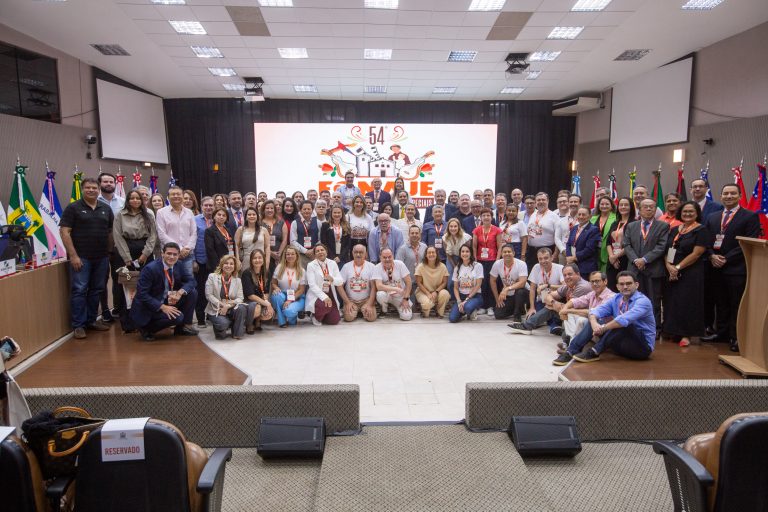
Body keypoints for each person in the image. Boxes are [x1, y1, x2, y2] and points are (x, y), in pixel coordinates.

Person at [702, 183, 762, 351]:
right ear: (721, 196)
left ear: (740, 196)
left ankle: (736, 337)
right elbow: (706, 240)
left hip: (736, 269)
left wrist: (726, 259)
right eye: (726, 193)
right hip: (715, 267)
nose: (729, 196)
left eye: (733, 193)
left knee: (736, 304)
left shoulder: (750, 216)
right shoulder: (713, 217)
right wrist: (711, 256)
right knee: (720, 303)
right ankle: (721, 333)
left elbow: (748, 241)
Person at [59, 177, 114, 339]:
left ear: (99, 190)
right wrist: (73, 255)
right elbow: (64, 232)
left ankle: (91, 320)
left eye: (94, 188)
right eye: (88, 188)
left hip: (101, 257)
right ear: (82, 190)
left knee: (97, 289)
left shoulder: (105, 208)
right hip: (81, 258)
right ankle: (78, 325)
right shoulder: (73, 208)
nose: (91, 190)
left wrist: (109, 253)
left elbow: (110, 232)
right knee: (80, 290)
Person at [560, 271, 656, 363]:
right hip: (619, 345)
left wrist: (603, 328)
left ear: (636, 285)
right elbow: (595, 311)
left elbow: (623, 320)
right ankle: (570, 351)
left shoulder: (643, 301)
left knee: (623, 324)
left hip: (641, 348)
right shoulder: (616, 298)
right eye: (622, 284)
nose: (625, 287)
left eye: (629, 283)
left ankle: (593, 352)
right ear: (617, 286)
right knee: (597, 320)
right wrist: (594, 324)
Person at [663, 201, 711, 347]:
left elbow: (697, 254)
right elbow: (669, 250)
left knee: (688, 302)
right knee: (673, 301)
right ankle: (675, 331)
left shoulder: (701, 230)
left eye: (691, 211)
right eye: (685, 211)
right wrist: (669, 266)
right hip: (672, 271)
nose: (687, 214)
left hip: (691, 272)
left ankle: (687, 335)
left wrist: (677, 268)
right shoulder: (675, 229)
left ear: (697, 214)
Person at [129, 242, 199, 341]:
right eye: (169, 253)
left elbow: (192, 281)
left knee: (192, 292)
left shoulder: (179, 264)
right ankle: (147, 328)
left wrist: (180, 292)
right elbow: (142, 294)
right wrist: (162, 307)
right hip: (149, 306)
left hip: (166, 299)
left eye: (175, 254)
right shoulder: (150, 269)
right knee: (178, 317)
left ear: (178, 255)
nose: (172, 257)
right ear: (162, 254)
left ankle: (182, 328)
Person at [622, 199, 670, 334]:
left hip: (653, 270)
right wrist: (636, 260)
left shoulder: (663, 226)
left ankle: (654, 329)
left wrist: (644, 260)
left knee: (654, 301)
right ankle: (634, 327)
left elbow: (661, 246)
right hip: (634, 270)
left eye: (651, 207)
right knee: (633, 300)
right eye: (645, 207)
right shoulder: (631, 226)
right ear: (640, 209)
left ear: (655, 209)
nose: (649, 209)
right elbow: (626, 245)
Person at [112, 190, 158, 325]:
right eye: (132, 198)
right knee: (126, 286)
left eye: (138, 198)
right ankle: (128, 322)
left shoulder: (149, 214)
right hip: (125, 251)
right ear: (127, 200)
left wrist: (145, 254)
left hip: (145, 251)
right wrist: (127, 258)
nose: (135, 200)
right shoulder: (120, 214)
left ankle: (145, 320)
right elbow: (117, 236)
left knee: (146, 285)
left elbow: (153, 235)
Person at [508, 263, 589, 336]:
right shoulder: (569, 285)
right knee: (551, 304)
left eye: (570, 274)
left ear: (578, 274)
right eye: (565, 275)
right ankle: (527, 326)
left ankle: (527, 326)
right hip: (572, 314)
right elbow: (548, 296)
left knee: (551, 308)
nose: (567, 277)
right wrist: (553, 303)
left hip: (582, 315)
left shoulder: (582, 287)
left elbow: (570, 307)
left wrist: (554, 305)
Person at [554, 271, 615, 357]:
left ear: (605, 281)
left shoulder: (611, 296)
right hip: (591, 327)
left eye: (597, 281)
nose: (595, 284)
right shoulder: (593, 294)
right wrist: (564, 309)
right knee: (569, 315)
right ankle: (570, 344)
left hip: (601, 330)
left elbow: (594, 312)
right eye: (592, 282)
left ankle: (571, 346)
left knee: (580, 319)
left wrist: (568, 310)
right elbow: (576, 301)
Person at [97, 172, 125, 323]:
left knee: (118, 279)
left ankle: (118, 308)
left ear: (115, 184)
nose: (108, 184)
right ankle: (105, 311)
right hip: (99, 247)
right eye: (105, 181)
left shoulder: (122, 202)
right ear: (99, 184)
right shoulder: (94, 202)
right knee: (101, 280)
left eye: (111, 182)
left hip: (118, 247)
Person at [204, 254, 253, 340]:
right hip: (216, 309)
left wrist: (228, 305)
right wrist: (221, 304)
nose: (228, 266)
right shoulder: (212, 276)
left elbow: (240, 298)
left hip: (230, 308)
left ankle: (237, 333)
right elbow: (209, 295)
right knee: (223, 325)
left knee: (241, 308)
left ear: (234, 266)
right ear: (222, 265)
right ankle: (224, 325)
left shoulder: (237, 280)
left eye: (231, 264)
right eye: (226, 263)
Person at [155, 185, 197, 280]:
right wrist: (179, 249)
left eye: (178, 194)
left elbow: (193, 233)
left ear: (182, 196)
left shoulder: (189, 212)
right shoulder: (161, 212)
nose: (176, 196)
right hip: (170, 255)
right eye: (173, 194)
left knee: (188, 281)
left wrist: (187, 248)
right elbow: (162, 234)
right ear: (168, 197)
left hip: (187, 254)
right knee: (169, 282)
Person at [472, 208, 503, 315]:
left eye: (488, 215)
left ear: (492, 217)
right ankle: (482, 306)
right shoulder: (476, 230)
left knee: (492, 283)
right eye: (484, 215)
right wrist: (475, 259)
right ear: (481, 217)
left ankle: (491, 306)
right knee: (482, 283)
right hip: (480, 260)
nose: (486, 217)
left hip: (493, 260)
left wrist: (497, 260)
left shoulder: (497, 230)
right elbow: (474, 246)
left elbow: (500, 246)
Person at [305, 243, 344, 326]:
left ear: (326, 252)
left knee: (334, 321)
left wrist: (333, 279)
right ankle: (315, 316)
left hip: (330, 293)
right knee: (325, 305)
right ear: (315, 254)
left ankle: (324, 314)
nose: (320, 252)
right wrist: (324, 297)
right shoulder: (311, 265)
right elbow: (312, 285)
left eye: (322, 250)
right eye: (317, 251)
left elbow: (340, 281)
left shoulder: (333, 263)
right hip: (317, 294)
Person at [337, 244, 378, 322]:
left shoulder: (371, 267)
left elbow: (374, 287)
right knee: (348, 318)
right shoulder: (346, 266)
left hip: (366, 300)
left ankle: (362, 310)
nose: (358, 254)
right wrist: (347, 302)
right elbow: (339, 285)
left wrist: (369, 304)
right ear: (352, 253)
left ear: (365, 254)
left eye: (361, 252)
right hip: (351, 300)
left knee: (371, 318)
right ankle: (357, 310)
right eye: (356, 252)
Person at [270, 246, 307, 328]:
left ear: (297, 255)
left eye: (292, 254)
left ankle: (291, 318)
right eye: (288, 254)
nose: (290, 256)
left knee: (289, 311)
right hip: (282, 294)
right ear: (285, 256)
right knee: (276, 296)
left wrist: (290, 300)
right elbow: (273, 283)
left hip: (297, 297)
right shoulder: (279, 267)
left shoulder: (302, 270)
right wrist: (276, 288)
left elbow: (301, 290)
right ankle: (282, 321)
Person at [489, 244, 528, 321]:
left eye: (509, 252)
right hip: (509, 295)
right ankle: (520, 308)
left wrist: (507, 289)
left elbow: (522, 283)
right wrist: (497, 299)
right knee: (498, 314)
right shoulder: (497, 264)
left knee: (520, 291)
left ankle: (517, 315)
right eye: (504, 252)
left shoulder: (521, 264)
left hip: (523, 292)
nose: (507, 254)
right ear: (501, 254)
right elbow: (492, 280)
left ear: (513, 253)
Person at [193, 196, 215, 327]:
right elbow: (191, 240)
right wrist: (193, 260)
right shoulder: (194, 220)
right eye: (206, 205)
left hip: (214, 262)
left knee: (213, 290)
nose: (208, 207)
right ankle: (200, 318)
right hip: (200, 261)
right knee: (201, 290)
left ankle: (211, 316)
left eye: (211, 205)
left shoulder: (217, 219)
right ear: (201, 206)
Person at [373, 248, 413, 320]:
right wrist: (396, 289)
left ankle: (397, 307)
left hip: (400, 296)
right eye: (384, 257)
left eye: (389, 257)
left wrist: (406, 299)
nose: (387, 259)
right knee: (380, 294)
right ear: (380, 257)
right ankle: (384, 310)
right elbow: (379, 286)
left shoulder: (400, 264)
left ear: (393, 256)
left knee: (406, 317)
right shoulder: (377, 267)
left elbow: (409, 282)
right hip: (387, 295)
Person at [241, 249, 275, 333]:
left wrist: (266, 301)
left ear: (263, 259)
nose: (257, 260)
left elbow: (266, 291)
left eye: (260, 258)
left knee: (268, 314)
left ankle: (258, 321)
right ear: (251, 260)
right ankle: (249, 324)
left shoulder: (266, 273)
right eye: (254, 258)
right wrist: (266, 304)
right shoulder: (246, 273)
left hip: (261, 300)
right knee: (257, 308)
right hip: (249, 301)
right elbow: (250, 295)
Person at [448, 244, 484, 323]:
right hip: (461, 297)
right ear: (460, 254)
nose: (465, 253)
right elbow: (455, 288)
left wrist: (467, 299)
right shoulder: (457, 267)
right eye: (463, 251)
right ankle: (465, 311)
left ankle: (471, 309)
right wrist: (459, 302)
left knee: (467, 307)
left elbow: (478, 285)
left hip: (474, 296)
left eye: (467, 251)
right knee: (452, 319)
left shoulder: (478, 266)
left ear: (471, 253)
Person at [606, 197, 635, 291]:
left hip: (625, 260)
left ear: (631, 207)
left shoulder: (634, 223)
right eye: (621, 205)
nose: (623, 207)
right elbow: (608, 242)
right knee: (611, 288)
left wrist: (616, 256)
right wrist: (612, 257)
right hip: (612, 261)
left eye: (626, 205)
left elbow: (631, 244)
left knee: (624, 289)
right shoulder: (615, 223)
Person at [525, 192, 560, 270]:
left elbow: (558, 237)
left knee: (546, 273)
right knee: (532, 273)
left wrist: (555, 254)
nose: (541, 202)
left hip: (547, 251)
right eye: (538, 200)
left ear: (548, 201)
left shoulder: (554, 216)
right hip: (531, 251)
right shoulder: (533, 215)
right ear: (536, 202)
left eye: (543, 200)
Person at [566, 206, 602, 280]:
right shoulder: (574, 228)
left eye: (583, 214)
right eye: (579, 214)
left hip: (586, 267)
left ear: (590, 216)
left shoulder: (594, 230)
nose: (581, 216)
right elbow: (568, 244)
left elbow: (589, 249)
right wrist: (569, 256)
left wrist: (574, 257)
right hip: (573, 265)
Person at [414, 246, 450, 318]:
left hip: (437, 292)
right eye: (429, 253)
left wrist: (436, 292)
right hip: (423, 292)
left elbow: (444, 282)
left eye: (433, 252)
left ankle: (439, 311)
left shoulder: (442, 266)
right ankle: (425, 310)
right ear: (426, 255)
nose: (431, 254)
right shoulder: (421, 266)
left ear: (436, 254)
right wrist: (428, 293)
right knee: (427, 306)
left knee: (445, 294)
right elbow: (419, 283)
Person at [396, 225, 427, 300]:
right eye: (412, 233)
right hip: (409, 283)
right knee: (411, 305)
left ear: (420, 234)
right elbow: (397, 267)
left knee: (425, 302)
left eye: (416, 233)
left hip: (422, 282)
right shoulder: (402, 249)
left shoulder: (424, 247)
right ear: (408, 234)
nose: (414, 235)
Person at [443, 218, 472, 297]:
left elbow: (468, 252)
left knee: (462, 277)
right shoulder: (445, 238)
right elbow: (448, 254)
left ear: (459, 227)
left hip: (463, 258)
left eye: (455, 226)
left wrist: (461, 265)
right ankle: (453, 298)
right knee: (450, 280)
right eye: (451, 226)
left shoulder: (466, 237)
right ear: (448, 227)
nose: (453, 228)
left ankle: (463, 297)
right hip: (451, 258)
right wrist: (454, 266)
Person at [290, 200, 322, 268]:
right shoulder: (294, 223)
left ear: (312, 210)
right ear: (300, 210)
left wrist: (313, 250)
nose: (306, 211)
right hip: (300, 255)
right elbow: (293, 241)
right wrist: (305, 251)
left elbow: (320, 239)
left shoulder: (318, 222)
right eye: (304, 209)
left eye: (309, 209)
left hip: (315, 255)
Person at [261, 200, 287, 278]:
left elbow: (285, 239)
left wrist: (279, 254)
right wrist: (271, 253)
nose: (270, 210)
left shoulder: (281, 222)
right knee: (266, 277)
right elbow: (258, 241)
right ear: (263, 210)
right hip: (263, 255)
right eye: (267, 208)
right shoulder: (259, 223)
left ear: (275, 210)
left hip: (279, 256)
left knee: (278, 277)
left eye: (272, 208)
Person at [590, 196, 616, 273]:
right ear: (598, 206)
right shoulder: (593, 218)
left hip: (608, 251)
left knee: (605, 274)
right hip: (594, 250)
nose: (604, 206)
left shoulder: (616, 218)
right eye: (602, 204)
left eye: (607, 204)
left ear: (611, 206)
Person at [204, 207, 235, 272]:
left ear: (226, 218)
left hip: (230, 262)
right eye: (219, 215)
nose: (221, 217)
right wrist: (219, 265)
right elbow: (210, 251)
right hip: (217, 264)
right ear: (214, 216)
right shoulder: (209, 231)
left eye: (224, 215)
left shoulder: (228, 230)